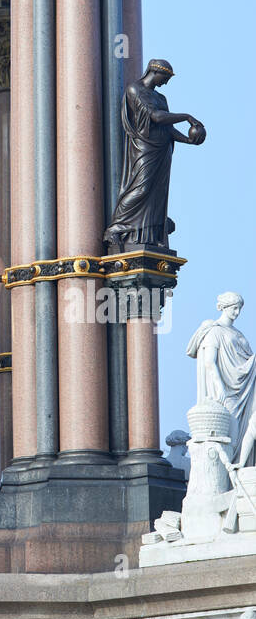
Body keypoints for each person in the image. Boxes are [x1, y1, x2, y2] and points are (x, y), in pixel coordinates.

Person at [105, 60, 205, 252]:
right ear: (154, 71)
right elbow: (156, 117)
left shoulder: (161, 98)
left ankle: (150, 233)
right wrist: (186, 116)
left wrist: (188, 140)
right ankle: (116, 227)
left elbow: (167, 128)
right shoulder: (135, 90)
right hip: (145, 149)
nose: (166, 82)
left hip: (162, 151)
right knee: (141, 188)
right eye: (165, 78)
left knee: (158, 194)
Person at [187, 293, 256, 464]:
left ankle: (241, 466)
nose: (237, 312)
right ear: (223, 307)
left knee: (249, 428)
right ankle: (229, 471)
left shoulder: (239, 334)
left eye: (239, 308)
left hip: (245, 390)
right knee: (231, 434)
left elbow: (246, 363)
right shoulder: (214, 331)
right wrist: (221, 389)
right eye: (234, 308)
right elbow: (210, 362)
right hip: (228, 392)